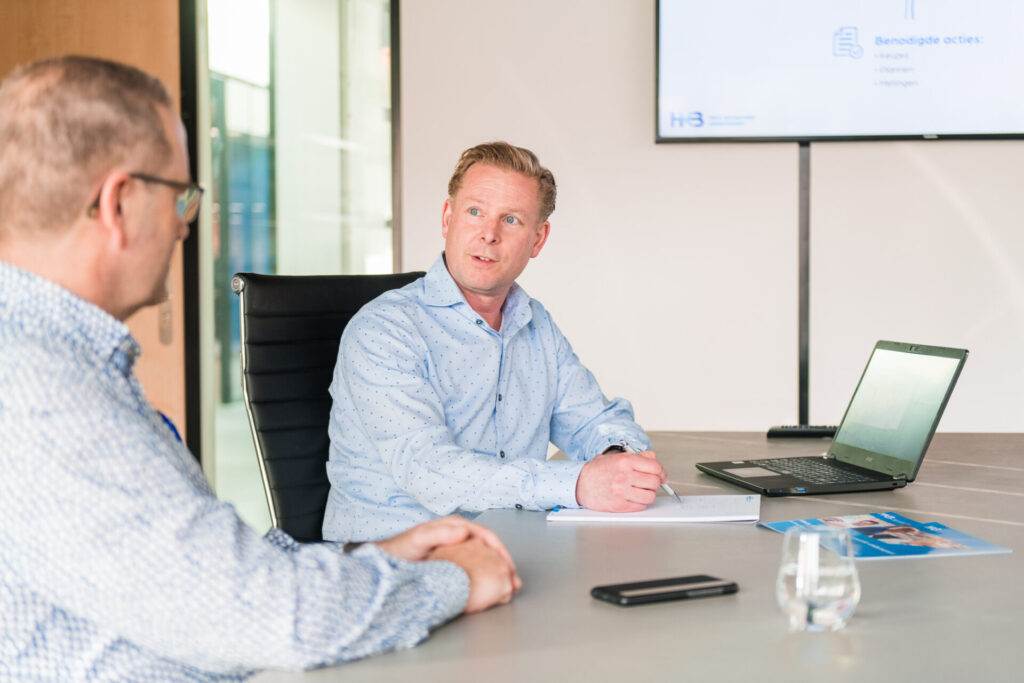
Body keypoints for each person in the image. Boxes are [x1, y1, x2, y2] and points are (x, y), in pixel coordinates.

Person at [0, 55, 520, 681]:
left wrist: (378, 556)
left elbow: (209, 577)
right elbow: (268, 619)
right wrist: (451, 581)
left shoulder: (61, 363)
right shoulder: (38, 391)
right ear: (118, 203)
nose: (184, 227)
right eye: (182, 197)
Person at [323, 141, 669, 543]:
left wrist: (615, 462)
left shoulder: (534, 324)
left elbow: (595, 420)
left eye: (511, 220)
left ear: (538, 239)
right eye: (474, 212)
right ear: (447, 218)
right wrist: (577, 484)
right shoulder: (385, 329)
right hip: (391, 560)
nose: (488, 234)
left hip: (510, 548)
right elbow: (426, 469)